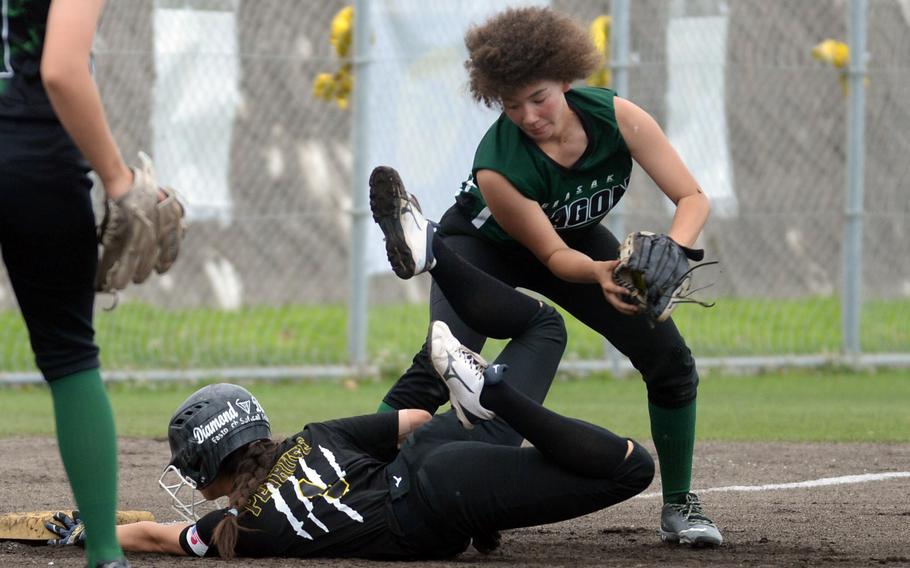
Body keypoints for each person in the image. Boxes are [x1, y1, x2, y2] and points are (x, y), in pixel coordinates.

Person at [46, 173, 654, 559]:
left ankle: (492, 393)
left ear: (211, 465)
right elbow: (415, 419)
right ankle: (438, 263)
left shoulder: (237, 528)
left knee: (630, 469)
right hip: (434, 452)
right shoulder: (315, 438)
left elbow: (154, 536)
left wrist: (88, 531)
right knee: (543, 325)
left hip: (439, 499)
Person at [373, 6, 721, 546]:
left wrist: (675, 248)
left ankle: (680, 507)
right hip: (483, 246)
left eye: (539, 98)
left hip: (575, 239)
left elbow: (693, 196)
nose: (530, 116)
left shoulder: (618, 117)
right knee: (442, 362)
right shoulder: (499, 166)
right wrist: (603, 274)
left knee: (670, 361)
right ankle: (354, 479)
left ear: (565, 78)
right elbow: (552, 259)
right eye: (512, 105)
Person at [1, 1, 180, 566]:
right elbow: (60, 69)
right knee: (69, 354)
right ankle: (105, 553)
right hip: (34, 159)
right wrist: (119, 180)